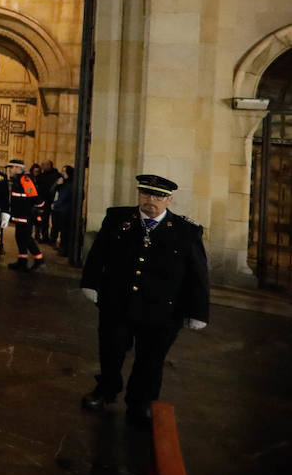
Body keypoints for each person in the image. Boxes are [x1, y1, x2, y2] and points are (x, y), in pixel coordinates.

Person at [80, 175, 209, 427]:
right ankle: (106, 390)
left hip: (162, 309)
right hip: (118, 302)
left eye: (158, 196)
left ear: (169, 199)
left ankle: (141, 401)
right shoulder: (118, 219)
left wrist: (198, 312)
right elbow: (98, 254)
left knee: (150, 360)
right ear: (139, 194)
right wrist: (90, 282)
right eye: (146, 194)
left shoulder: (186, 231)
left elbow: (198, 274)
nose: (151, 200)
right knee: (111, 350)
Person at [6, 158, 44, 270]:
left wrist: (39, 208)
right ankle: (22, 261)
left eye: (12, 167)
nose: (10, 170)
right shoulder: (17, 179)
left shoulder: (24, 179)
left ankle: (39, 259)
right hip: (19, 215)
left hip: (25, 215)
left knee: (26, 238)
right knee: (20, 238)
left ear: (18, 168)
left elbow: (34, 196)